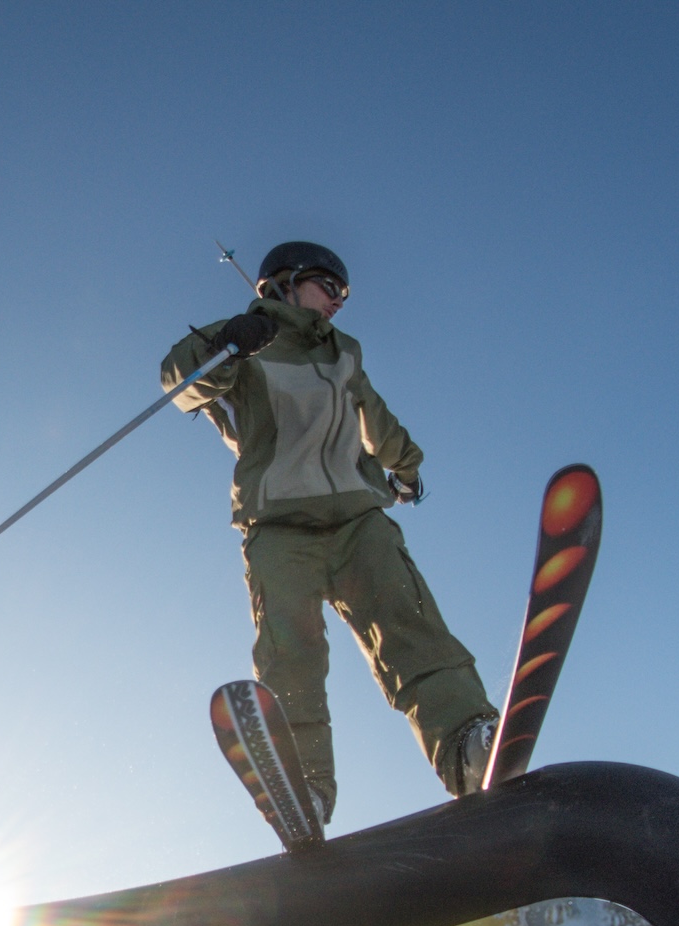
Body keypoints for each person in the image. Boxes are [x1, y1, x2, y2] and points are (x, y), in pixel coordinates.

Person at [162, 241, 496, 825]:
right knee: (292, 654)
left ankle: (467, 741)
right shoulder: (246, 341)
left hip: (355, 518)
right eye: (328, 286)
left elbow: (375, 416)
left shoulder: (345, 352)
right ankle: (306, 790)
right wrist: (221, 346)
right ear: (282, 283)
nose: (338, 302)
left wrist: (407, 468)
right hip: (278, 527)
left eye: (344, 293)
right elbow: (180, 383)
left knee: (407, 623)